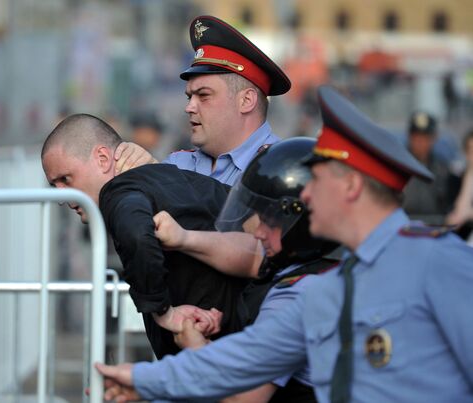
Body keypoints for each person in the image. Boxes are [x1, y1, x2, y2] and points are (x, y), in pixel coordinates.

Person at [95, 86, 473, 403]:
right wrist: (143, 380)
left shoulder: (438, 261)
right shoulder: (326, 289)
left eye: (317, 181)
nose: (304, 195)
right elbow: (242, 362)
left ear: (350, 187)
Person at [41, 113, 250, 359]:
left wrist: (164, 313)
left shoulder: (118, 193)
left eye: (66, 179)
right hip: (245, 345)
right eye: (55, 186)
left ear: (102, 158)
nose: (62, 197)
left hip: (212, 355)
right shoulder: (185, 180)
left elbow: (137, 236)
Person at [154, 137, 339, 402]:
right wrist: (182, 238)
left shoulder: (296, 294)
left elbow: (241, 399)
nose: (257, 232)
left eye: (267, 220)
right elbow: (250, 257)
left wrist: (194, 347)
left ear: (301, 222)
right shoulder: (329, 269)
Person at [114, 15, 291, 186]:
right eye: (189, 96)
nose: (189, 107)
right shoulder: (178, 163)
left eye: (204, 95)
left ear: (246, 100)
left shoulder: (281, 168)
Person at [402, 111, 454, 221]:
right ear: (409, 136)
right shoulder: (397, 164)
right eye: (417, 137)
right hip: (402, 225)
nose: (420, 142)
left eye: (426, 137)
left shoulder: (443, 168)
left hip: (435, 226)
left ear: (434, 138)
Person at [446, 129, 473, 242]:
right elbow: (454, 217)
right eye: (470, 151)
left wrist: (468, 214)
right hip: (461, 238)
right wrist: (469, 176)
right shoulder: (456, 179)